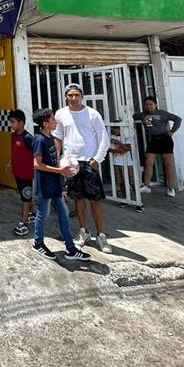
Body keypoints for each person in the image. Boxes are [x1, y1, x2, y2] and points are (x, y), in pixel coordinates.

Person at [53, 83, 113, 254]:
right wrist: (58, 161)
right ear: (66, 96)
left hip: (89, 162)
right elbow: (58, 138)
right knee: (78, 199)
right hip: (71, 163)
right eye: (70, 95)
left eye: (76, 95)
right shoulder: (61, 114)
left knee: (95, 200)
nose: (73, 98)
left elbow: (104, 138)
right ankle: (83, 232)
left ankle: (101, 235)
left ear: (82, 96)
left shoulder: (92, 114)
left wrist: (97, 159)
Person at [31, 108, 91, 262]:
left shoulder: (50, 137)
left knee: (63, 214)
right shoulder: (39, 140)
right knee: (43, 214)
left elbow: (53, 161)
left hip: (55, 182)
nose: (55, 121)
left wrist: (65, 167)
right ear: (45, 123)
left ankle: (70, 248)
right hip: (45, 184)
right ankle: (38, 243)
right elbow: (37, 164)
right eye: (52, 119)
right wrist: (59, 170)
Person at [134, 96, 182, 197]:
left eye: (151, 104)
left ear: (155, 105)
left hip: (165, 140)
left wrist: (172, 131)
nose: (148, 106)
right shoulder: (143, 115)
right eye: (146, 104)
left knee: (168, 165)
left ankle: (170, 188)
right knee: (148, 163)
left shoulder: (162, 113)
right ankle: (146, 186)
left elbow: (178, 119)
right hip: (153, 140)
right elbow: (131, 117)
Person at [6, 109, 36, 236]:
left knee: (25, 198)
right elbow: (14, 152)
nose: (11, 125)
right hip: (17, 172)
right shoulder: (13, 136)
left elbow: (38, 154)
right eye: (10, 122)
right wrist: (10, 163)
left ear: (21, 122)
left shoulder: (28, 138)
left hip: (27, 174)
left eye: (13, 122)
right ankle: (31, 214)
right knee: (24, 196)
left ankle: (24, 224)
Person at [110, 126, 143, 212]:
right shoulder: (111, 137)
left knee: (132, 182)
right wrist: (119, 150)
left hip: (127, 163)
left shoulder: (126, 137)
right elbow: (108, 149)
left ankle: (139, 202)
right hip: (116, 162)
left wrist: (118, 143)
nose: (114, 130)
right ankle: (125, 199)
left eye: (116, 128)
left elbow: (128, 148)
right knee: (121, 182)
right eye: (113, 128)